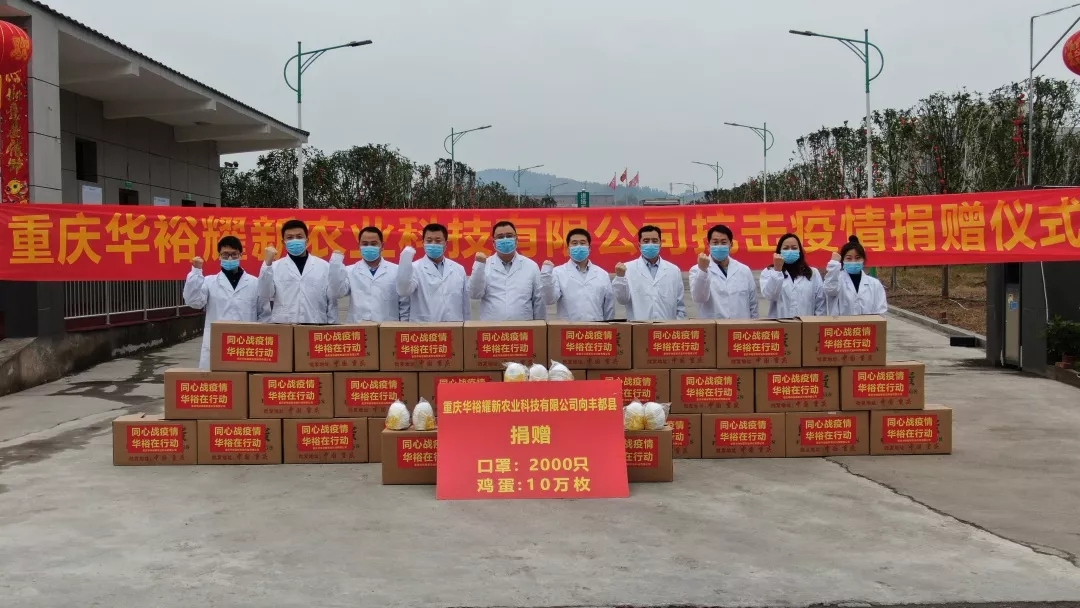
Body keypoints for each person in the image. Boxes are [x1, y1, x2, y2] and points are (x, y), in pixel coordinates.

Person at [183, 236, 271, 369]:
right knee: (220, 381)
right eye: (225, 254)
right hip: (217, 343)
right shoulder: (209, 282)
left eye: (234, 254)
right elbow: (194, 302)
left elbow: (264, 314)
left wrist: (258, 340)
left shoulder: (254, 283)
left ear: (241, 255)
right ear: (219, 256)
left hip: (246, 345)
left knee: (244, 380)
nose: (229, 258)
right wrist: (196, 271)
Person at [258, 219, 337, 324]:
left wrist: (331, 325)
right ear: (283, 242)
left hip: (316, 326)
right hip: (284, 326)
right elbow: (265, 294)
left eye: (299, 237)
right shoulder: (274, 267)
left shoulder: (324, 267)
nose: (295, 240)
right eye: (289, 237)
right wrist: (267, 264)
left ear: (307, 240)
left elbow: (332, 302)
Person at [468, 220, 546, 321]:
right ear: (494, 242)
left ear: (516, 239)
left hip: (524, 328)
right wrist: (479, 267)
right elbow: (474, 294)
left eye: (509, 236)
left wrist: (539, 326)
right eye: (500, 237)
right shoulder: (484, 265)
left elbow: (539, 301)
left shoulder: (531, 266)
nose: (505, 239)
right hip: (492, 327)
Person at [330, 226, 410, 322]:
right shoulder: (350, 271)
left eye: (373, 244)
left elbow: (404, 303)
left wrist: (403, 326)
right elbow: (337, 293)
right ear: (359, 246)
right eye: (365, 244)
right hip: (358, 327)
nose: (369, 247)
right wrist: (335, 264)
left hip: (387, 327)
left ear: (382, 246)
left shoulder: (396, 270)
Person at [396, 223, 470, 322]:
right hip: (424, 328)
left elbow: (465, 306)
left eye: (438, 241)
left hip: (454, 327)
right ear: (423, 243)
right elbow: (403, 291)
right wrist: (405, 260)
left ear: (446, 244)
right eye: (429, 241)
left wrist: (467, 327)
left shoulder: (459, 269)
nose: (433, 244)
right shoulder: (414, 268)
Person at [612, 224, 686, 320]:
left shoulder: (673, 270)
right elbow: (622, 300)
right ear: (639, 245)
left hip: (667, 326)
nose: (650, 244)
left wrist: (678, 325)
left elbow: (680, 305)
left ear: (660, 244)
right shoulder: (627, 269)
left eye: (654, 241)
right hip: (639, 326)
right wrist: (620, 278)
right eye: (646, 241)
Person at [540, 228, 615, 321]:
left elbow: (609, 307)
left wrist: (609, 326)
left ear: (589, 248)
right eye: (574, 243)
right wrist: (546, 277)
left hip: (596, 327)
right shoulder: (558, 272)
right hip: (568, 328)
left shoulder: (602, 274)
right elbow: (549, 300)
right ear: (568, 249)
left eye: (582, 243)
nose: (579, 246)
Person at [689, 224, 758, 319]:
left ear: (731, 245)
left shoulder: (744, 270)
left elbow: (753, 305)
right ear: (708, 245)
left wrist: (754, 324)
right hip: (713, 326)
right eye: (715, 242)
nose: (719, 246)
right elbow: (699, 298)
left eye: (723, 242)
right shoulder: (697, 270)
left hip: (741, 326)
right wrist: (703, 271)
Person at [760, 233, 826, 318]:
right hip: (780, 323)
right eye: (786, 248)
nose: (790, 251)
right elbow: (770, 295)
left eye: (794, 248)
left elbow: (820, 303)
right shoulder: (769, 272)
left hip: (806, 324)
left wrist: (816, 323)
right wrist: (777, 270)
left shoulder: (813, 273)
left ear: (799, 251)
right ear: (779, 251)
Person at [824, 235, 888, 315]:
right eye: (849, 258)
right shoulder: (836, 280)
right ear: (842, 260)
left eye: (857, 258)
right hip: (841, 323)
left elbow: (881, 311)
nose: (853, 261)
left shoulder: (874, 284)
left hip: (868, 323)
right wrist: (834, 265)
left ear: (863, 259)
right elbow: (830, 290)